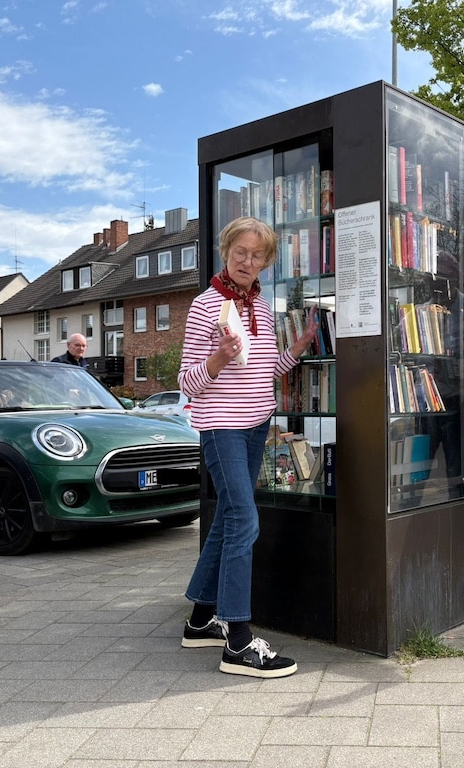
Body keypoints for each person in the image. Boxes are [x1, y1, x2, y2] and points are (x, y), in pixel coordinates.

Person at [177, 216, 318, 679]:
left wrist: (293, 350)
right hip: (221, 429)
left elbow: (260, 373)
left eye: (258, 256)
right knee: (244, 521)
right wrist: (217, 357)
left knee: (228, 519)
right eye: (241, 252)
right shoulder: (206, 306)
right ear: (225, 251)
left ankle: (200, 621)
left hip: (257, 425)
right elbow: (187, 383)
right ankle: (237, 640)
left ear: (268, 262)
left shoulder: (260, 304)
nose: (248, 261)